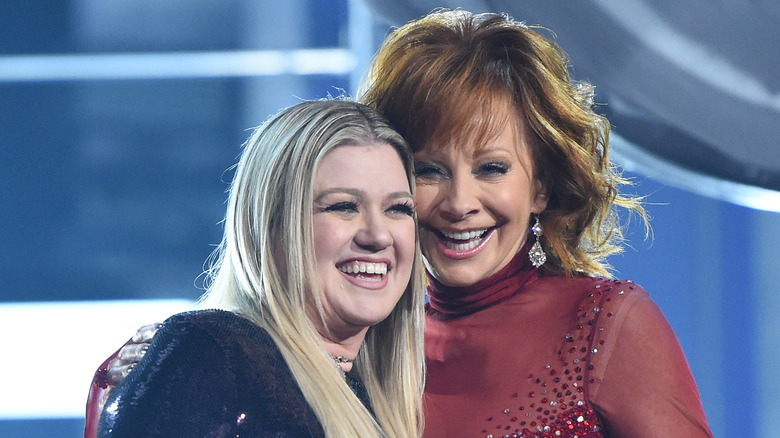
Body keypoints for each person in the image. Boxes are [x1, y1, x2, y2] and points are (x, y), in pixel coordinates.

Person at [87, 9, 713, 438]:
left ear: (542, 185)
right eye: (428, 171)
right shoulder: (359, 336)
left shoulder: (605, 324)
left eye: (492, 167)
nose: (460, 201)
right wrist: (137, 386)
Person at [91, 99, 426, 437]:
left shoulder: (370, 396)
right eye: (343, 206)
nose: (378, 235)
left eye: (398, 208)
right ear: (268, 226)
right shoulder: (212, 356)